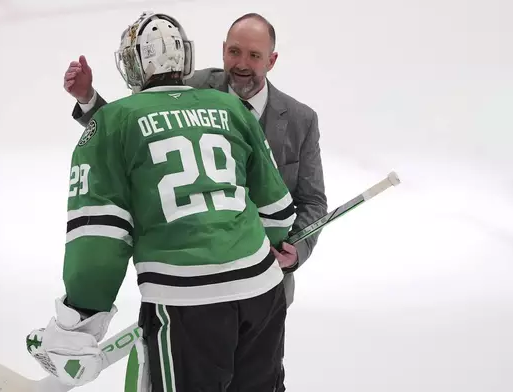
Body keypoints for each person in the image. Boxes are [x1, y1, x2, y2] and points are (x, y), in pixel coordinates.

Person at [26, 11, 296, 392]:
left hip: (187, 303)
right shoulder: (232, 108)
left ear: (134, 63)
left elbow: (100, 239)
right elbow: (278, 213)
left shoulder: (114, 121)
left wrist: (78, 322)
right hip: (263, 293)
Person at [64, 13, 328, 311]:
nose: (241, 63)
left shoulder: (300, 120)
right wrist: (88, 99)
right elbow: (135, 126)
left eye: (254, 55)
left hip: (266, 281)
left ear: (271, 60)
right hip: (192, 277)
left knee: (260, 358)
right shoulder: (191, 89)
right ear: (223, 49)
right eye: (234, 52)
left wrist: (296, 250)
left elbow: (313, 202)